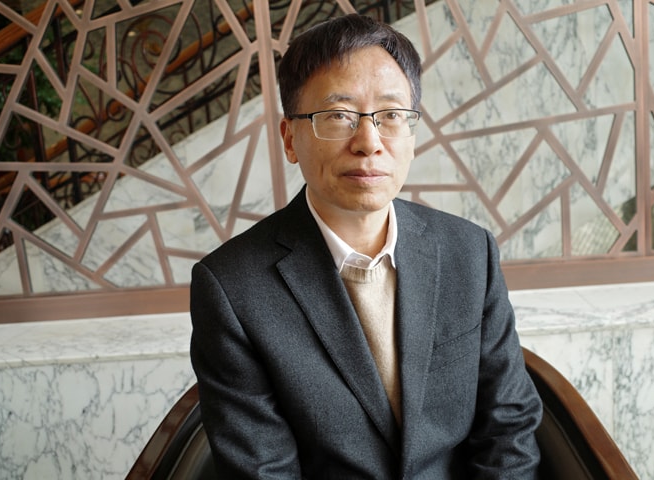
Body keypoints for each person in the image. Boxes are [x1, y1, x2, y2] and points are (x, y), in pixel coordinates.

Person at [190, 13, 542, 479]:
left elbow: (508, 430)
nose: (369, 142)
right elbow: (263, 471)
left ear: (412, 133)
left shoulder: (468, 253)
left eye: (392, 116)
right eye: (338, 116)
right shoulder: (232, 288)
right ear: (290, 138)